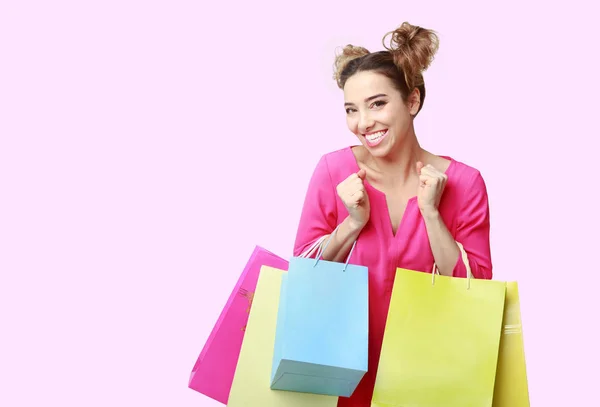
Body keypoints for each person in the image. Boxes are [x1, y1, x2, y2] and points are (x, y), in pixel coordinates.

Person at [292, 22, 493, 407]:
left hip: (431, 376)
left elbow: (477, 292)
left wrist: (432, 214)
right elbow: (302, 275)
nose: (363, 123)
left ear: (412, 101)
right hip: (339, 373)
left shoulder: (464, 183)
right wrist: (351, 224)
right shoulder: (334, 172)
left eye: (377, 104)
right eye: (351, 110)